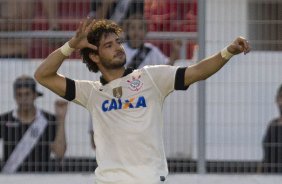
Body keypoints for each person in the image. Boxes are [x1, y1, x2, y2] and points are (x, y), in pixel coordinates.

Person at [34, 18, 250, 183]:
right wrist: (71, 45)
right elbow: (43, 75)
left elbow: (198, 71)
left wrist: (228, 51)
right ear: (95, 56)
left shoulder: (151, 78)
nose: (118, 47)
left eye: (118, 42)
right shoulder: (91, 92)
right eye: (109, 45)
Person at [0, 75, 67, 173]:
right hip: (12, 178)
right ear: (15, 97)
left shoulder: (48, 119)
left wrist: (61, 119)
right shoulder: (4, 120)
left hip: (41, 178)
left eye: (27, 94)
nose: (23, 99)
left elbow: (60, 153)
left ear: (35, 95)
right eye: (20, 95)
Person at [260, 84, 282, 173]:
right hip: (271, 176)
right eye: (280, 98)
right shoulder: (273, 125)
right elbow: (266, 156)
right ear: (276, 100)